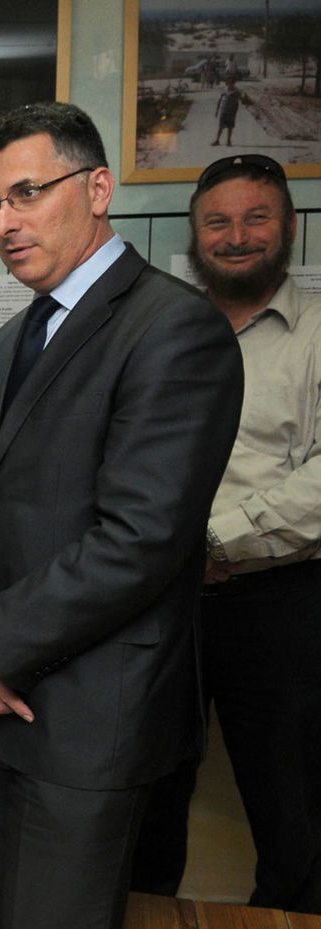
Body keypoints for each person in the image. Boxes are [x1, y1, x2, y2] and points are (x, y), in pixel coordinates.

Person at [0, 102, 243, 929]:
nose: (4, 221)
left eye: (27, 192)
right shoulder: (9, 344)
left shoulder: (175, 328)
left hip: (86, 723)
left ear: (98, 187)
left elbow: (140, 540)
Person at [130, 154, 321, 914]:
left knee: (296, 808)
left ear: (290, 230)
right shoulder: (157, 331)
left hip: (279, 603)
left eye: (256, 218)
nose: (237, 236)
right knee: (142, 800)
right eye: (218, 221)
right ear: (194, 235)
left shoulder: (317, 334)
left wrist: (216, 541)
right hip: (157, 604)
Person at [213, 76, 244, 147]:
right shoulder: (224, 90)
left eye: (231, 82)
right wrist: (217, 111)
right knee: (220, 127)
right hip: (223, 111)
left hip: (231, 112)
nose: (229, 84)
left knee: (230, 128)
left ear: (234, 83)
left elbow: (236, 104)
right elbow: (219, 100)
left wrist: (234, 113)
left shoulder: (236, 92)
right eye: (228, 82)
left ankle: (228, 141)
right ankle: (217, 140)